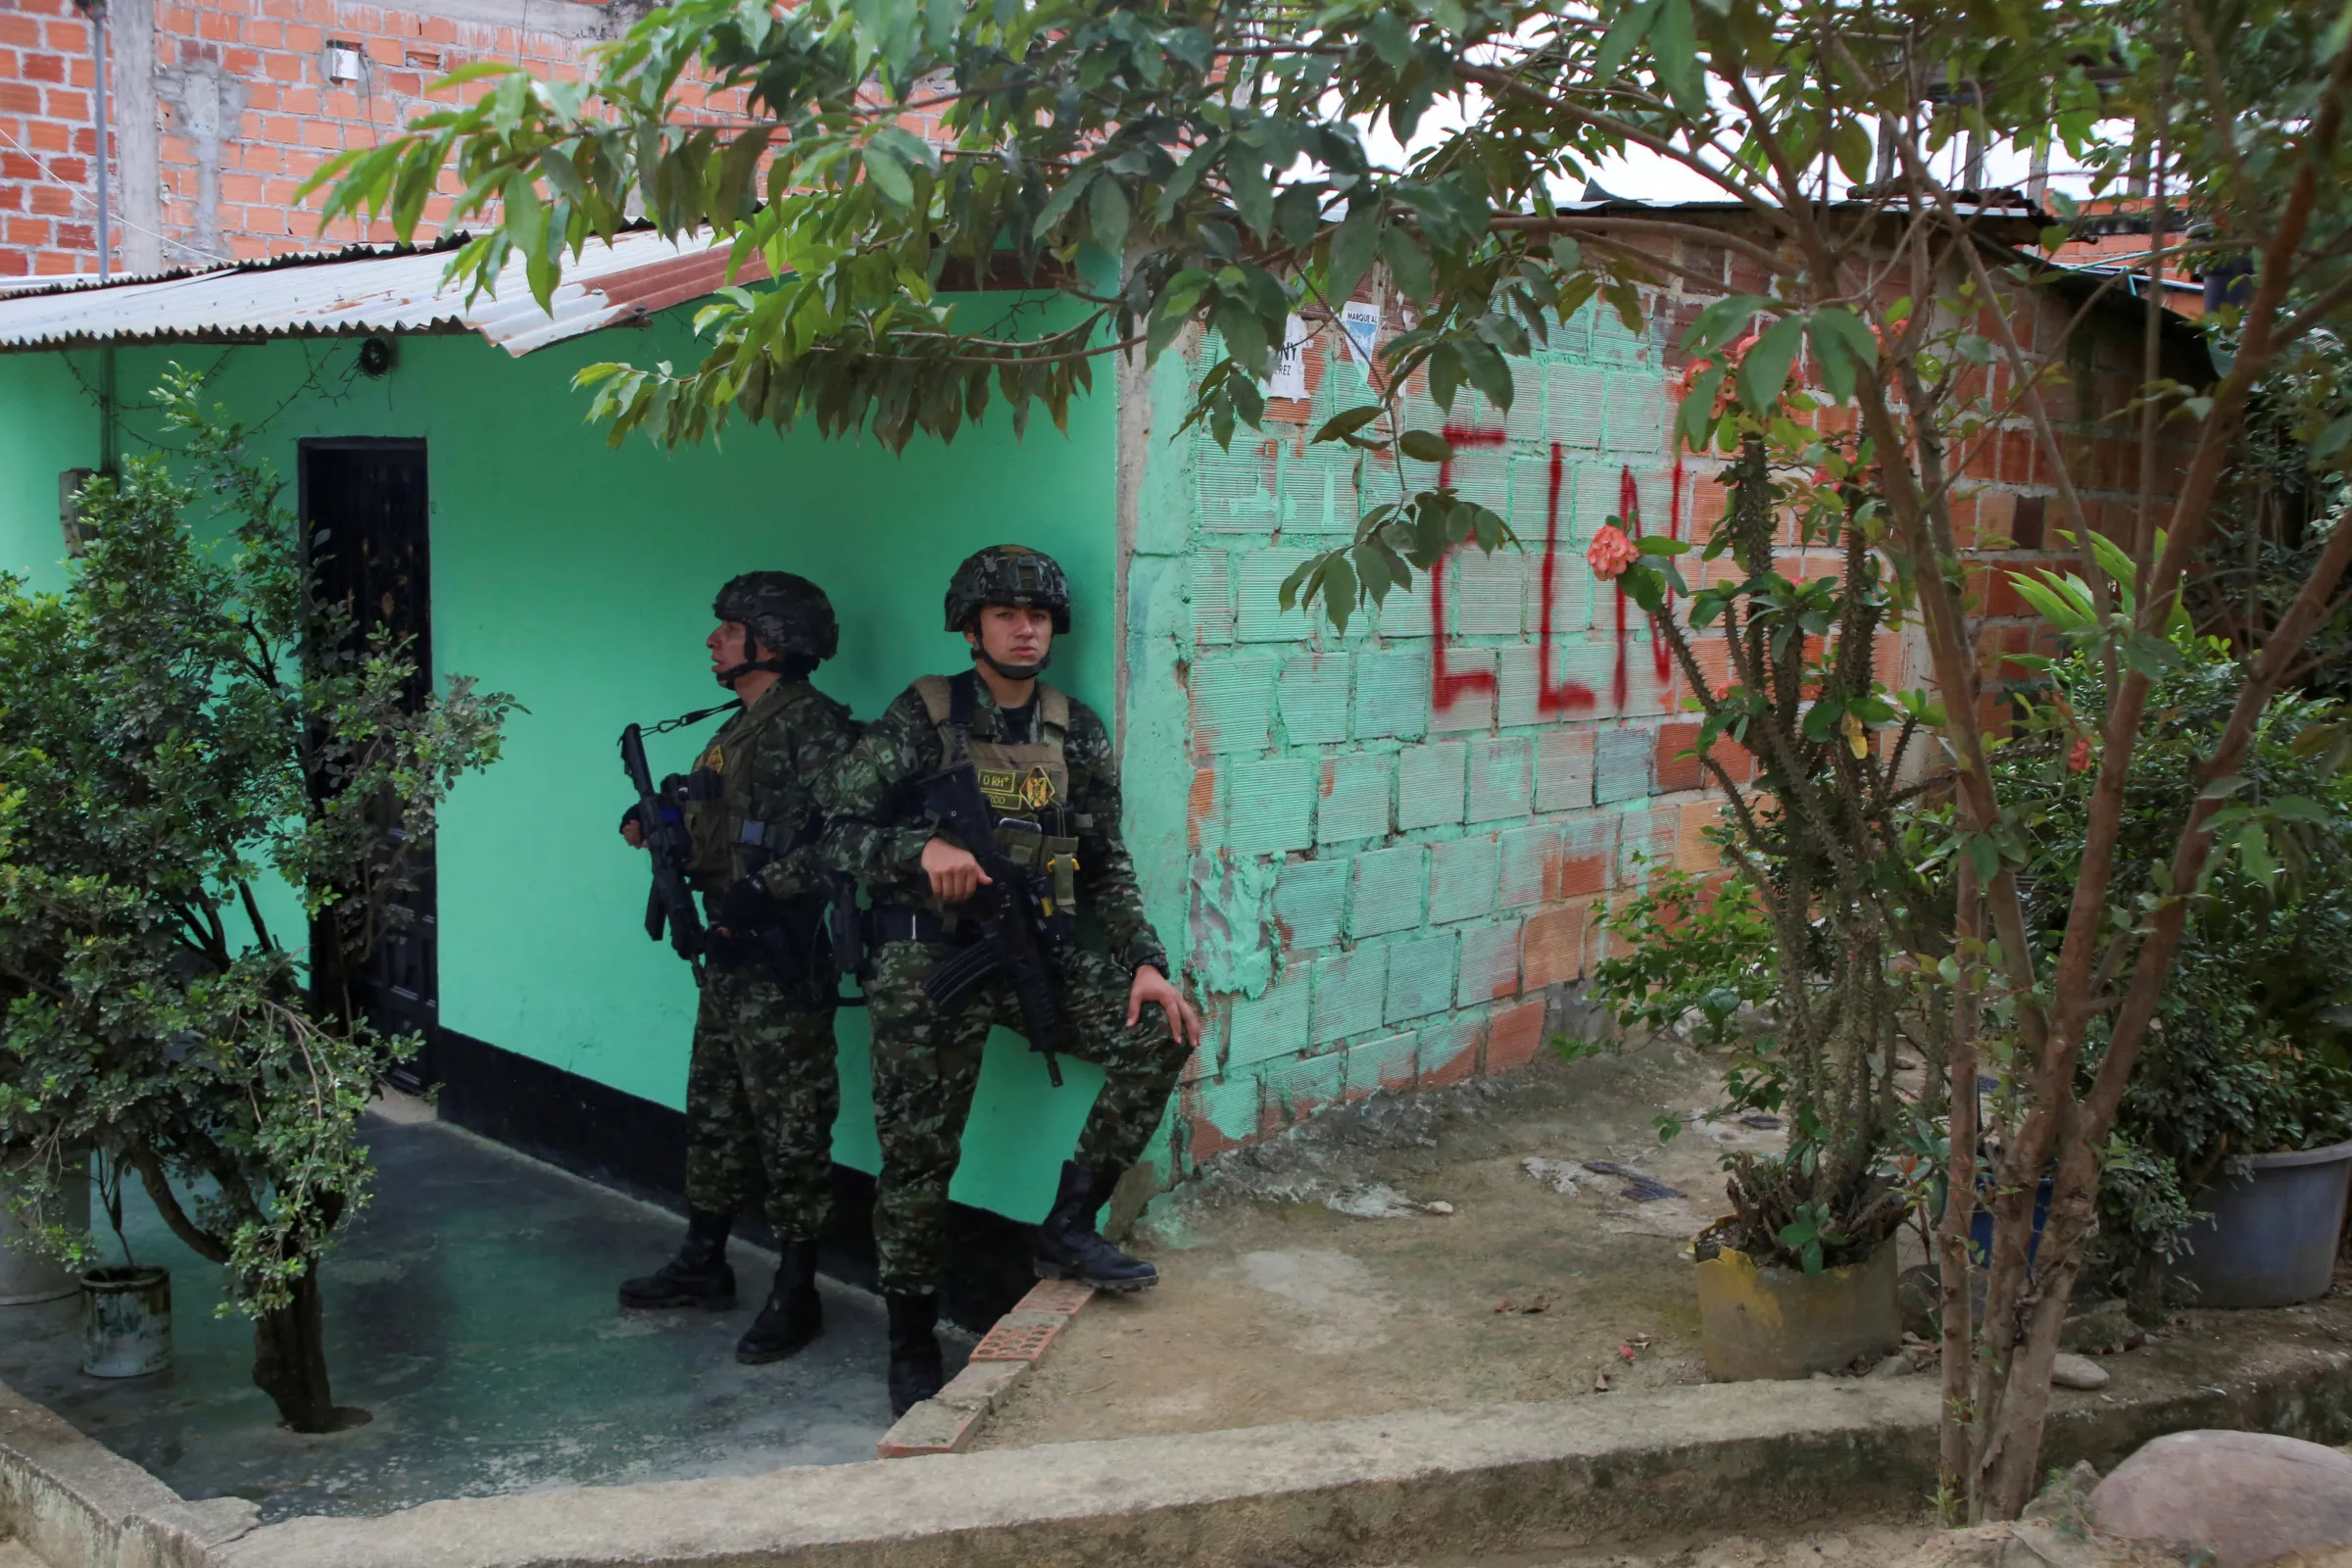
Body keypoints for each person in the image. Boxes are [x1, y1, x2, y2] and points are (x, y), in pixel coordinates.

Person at [819, 544, 1201, 1415]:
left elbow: (1104, 861)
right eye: (1004, 615)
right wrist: (920, 850)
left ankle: (1068, 1226)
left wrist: (1145, 961)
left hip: (1036, 948)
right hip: (930, 961)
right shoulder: (925, 714)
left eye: (1037, 617)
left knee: (1162, 1029)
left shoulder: (1075, 728)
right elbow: (833, 831)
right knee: (920, 1155)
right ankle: (910, 1338)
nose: (1025, 630)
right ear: (971, 628)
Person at [616, 572, 860, 1366]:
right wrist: (658, 818)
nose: (713, 641)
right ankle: (704, 1259)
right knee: (715, 1110)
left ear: (772, 640)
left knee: (793, 1126)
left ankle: (798, 1287)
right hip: (727, 956)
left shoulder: (811, 726)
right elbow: (719, 813)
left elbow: (847, 835)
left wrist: (766, 892)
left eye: (728, 629)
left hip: (780, 957)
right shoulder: (739, 725)